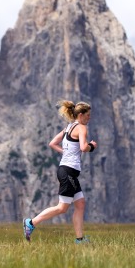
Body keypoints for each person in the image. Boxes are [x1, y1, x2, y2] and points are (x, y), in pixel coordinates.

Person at [23, 100, 97, 244]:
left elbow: (52, 143)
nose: (89, 118)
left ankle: (80, 240)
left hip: (67, 170)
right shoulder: (81, 128)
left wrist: (66, 153)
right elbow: (83, 147)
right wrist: (91, 146)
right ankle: (31, 223)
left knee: (80, 203)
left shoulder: (68, 128)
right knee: (62, 208)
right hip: (68, 172)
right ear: (81, 115)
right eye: (88, 116)